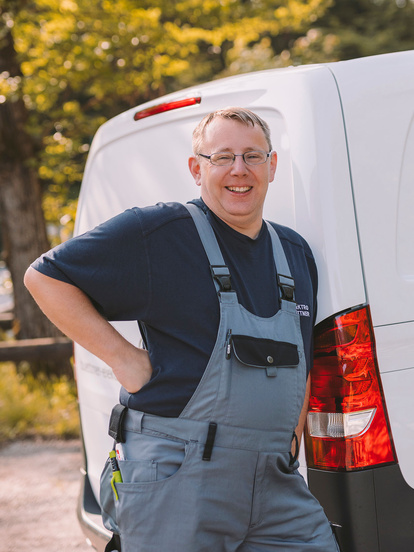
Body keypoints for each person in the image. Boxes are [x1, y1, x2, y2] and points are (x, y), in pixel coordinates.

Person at [24, 107, 339, 552]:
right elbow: (45, 278)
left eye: (252, 156)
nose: (239, 170)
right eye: (222, 157)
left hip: (276, 483)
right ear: (196, 168)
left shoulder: (294, 252)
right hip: (182, 476)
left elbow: (300, 357)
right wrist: (125, 361)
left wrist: (291, 437)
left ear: (272, 165)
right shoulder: (160, 233)